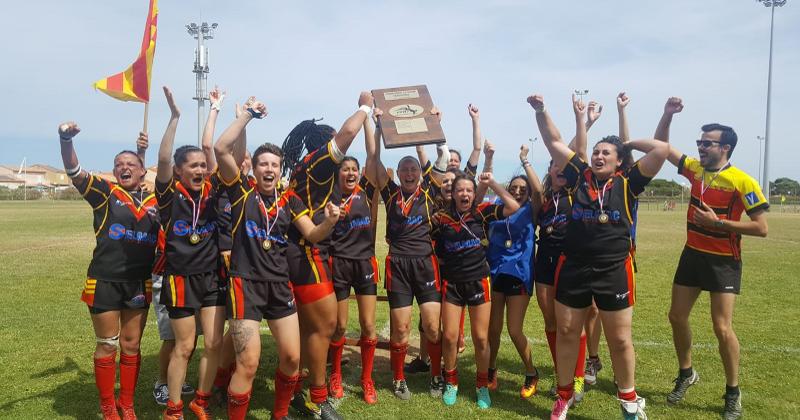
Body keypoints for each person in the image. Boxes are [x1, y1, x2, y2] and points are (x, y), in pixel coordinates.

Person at [529, 92, 669, 420]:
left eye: (606, 152)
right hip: (574, 267)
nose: (598, 155)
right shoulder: (579, 176)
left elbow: (661, 150)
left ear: (619, 160)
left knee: (619, 339)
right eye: (595, 151)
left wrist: (626, 142)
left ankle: (629, 401)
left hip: (613, 269)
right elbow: (552, 142)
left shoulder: (628, 182)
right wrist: (541, 110)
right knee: (566, 332)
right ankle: (564, 396)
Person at [212, 97, 341, 420]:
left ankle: (279, 414)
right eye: (263, 164)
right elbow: (221, 148)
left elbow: (312, 235)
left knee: (292, 359)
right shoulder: (241, 193)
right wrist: (247, 117)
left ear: (279, 168)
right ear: (254, 168)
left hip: (279, 287)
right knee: (250, 362)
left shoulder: (289, 200)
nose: (268, 169)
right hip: (246, 285)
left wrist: (330, 221)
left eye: (274, 164)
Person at [656, 97, 768, 420]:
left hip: (723, 262)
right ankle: (686, 373)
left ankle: (733, 392)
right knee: (676, 317)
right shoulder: (694, 170)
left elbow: (761, 228)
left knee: (721, 328)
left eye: (708, 143)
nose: (701, 148)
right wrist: (667, 115)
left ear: (726, 148)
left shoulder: (743, 182)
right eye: (699, 142)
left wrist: (718, 224)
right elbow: (662, 146)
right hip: (692, 256)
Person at [281, 92, 373, 420]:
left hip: (303, 255)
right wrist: (365, 106)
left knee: (310, 330)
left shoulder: (302, 176)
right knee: (324, 326)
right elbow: (347, 135)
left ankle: (293, 395)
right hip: (307, 257)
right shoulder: (317, 166)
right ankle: (319, 400)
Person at [58, 121, 159, 419]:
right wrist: (65, 140)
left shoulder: (156, 200)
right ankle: (107, 407)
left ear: (142, 170)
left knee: (132, 345)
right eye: (118, 164)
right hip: (104, 280)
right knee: (107, 344)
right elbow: (75, 171)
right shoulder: (105, 193)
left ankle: (126, 404)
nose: (123, 167)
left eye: (130, 164)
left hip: (139, 283)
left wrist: (143, 152)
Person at [365, 107, 448, 401]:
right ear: (398, 174)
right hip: (398, 265)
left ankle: (436, 374)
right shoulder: (390, 193)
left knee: (432, 327)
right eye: (405, 169)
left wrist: (434, 124)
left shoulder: (429, 191)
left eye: (413, 169)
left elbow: (440, 159)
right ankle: (399, 379)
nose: (410, 173)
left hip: (426, 264)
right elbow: (373, 162)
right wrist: (376, 126)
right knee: (400, 328)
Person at [155, 86, 226, 420]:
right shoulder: (170, 198)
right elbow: (163, 159)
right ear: (180, 171)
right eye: (193, 166)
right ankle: (173, 408)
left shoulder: (211, 194)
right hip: (180, 279)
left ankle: (201, 399)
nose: (200, 170)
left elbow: (213, 152)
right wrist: (174, 117)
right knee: (185, 346)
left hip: (211, 278)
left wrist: (215, 110)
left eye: (202, 166)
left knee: (213, 344)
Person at [434, 171, 520, 408]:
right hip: (452, 283)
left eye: (469, 190)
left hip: (478, 281)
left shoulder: (482, 212)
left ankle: (482, 385)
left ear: (474, 194)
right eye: (460, 190)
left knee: (481, 338)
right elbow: (436, 249)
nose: (464, 194)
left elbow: (513, 207)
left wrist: (492, 182)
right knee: (450, 336)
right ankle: (451, 381)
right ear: (453, 193)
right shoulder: (441, 218)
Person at [406, 104, 481, 373]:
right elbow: (424, 152)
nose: (450, 181)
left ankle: (449, 353)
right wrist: (430, 124)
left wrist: (474, 120)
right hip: (432, 260)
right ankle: (426, 360)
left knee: (451, 315)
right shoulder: (434, 190)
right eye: (447, 177)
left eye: (455, 172)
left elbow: (476, 150)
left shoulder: (465, 195)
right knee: (428, 316)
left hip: (457, 263)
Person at [327, 118, 381, 405]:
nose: (350, 173)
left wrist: (373, 123)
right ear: (338, 174)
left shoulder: (367, 193)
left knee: (369, 326)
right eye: (345, 169)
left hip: (364, 263)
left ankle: (367, 379)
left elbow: (373, 156)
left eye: (354, 170)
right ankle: (334, 374)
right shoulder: (330, 196)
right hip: (339, 263)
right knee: (339, 327)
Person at [486, 143, 543, 399]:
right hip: (495, 272)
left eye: (522, 189)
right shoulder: (498, 208)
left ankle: (531, 372)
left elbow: (539, 191)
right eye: (514, 189)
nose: (518, 192)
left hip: (519, 274)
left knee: (514, 330)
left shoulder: (531, 210)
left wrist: (524, 161)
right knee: (493, 329)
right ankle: (491, 369)